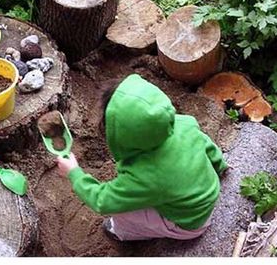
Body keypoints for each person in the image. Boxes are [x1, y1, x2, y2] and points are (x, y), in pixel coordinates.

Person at [55, 74, 228, 241]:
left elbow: (103, 201)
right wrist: (220, 165)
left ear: (123, 134)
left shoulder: (145, 177)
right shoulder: (184, 124)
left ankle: (122, 232)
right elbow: (208, 146)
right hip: (208, 193)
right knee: (153, 192)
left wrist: (74, 173)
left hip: (189, 223)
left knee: (121, 211)